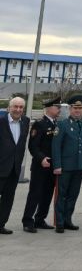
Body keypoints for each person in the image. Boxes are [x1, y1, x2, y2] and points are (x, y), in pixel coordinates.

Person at [52, 94, 82, 233]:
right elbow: (56, 146)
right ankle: (60, 222)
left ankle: (68, 220)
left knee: (73, 194)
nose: (77, 111)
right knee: (62, 194)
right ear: (70, 109)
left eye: (80, 108)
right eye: (75, 108)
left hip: (79, 166)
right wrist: (57, 165)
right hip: (65, 167)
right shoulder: (62, 124)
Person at [22, 96, 61, 232]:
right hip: (41, 165)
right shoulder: (40, 124)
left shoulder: (56, 124)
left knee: (47, 194)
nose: (59, 110)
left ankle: (40, 219)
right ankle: (27, 221)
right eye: (57, 107)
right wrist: (41, 158)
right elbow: (33, 146)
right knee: (35, 193)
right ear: (49, 108)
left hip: (52, 166)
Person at [0, 96, 30, 234]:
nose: (18, 109)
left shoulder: (25, 121)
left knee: (8, 199)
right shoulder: (1, 121)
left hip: (14, 169)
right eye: (15, 106)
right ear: (9, 108)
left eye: (21, 107)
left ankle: (1, 224)